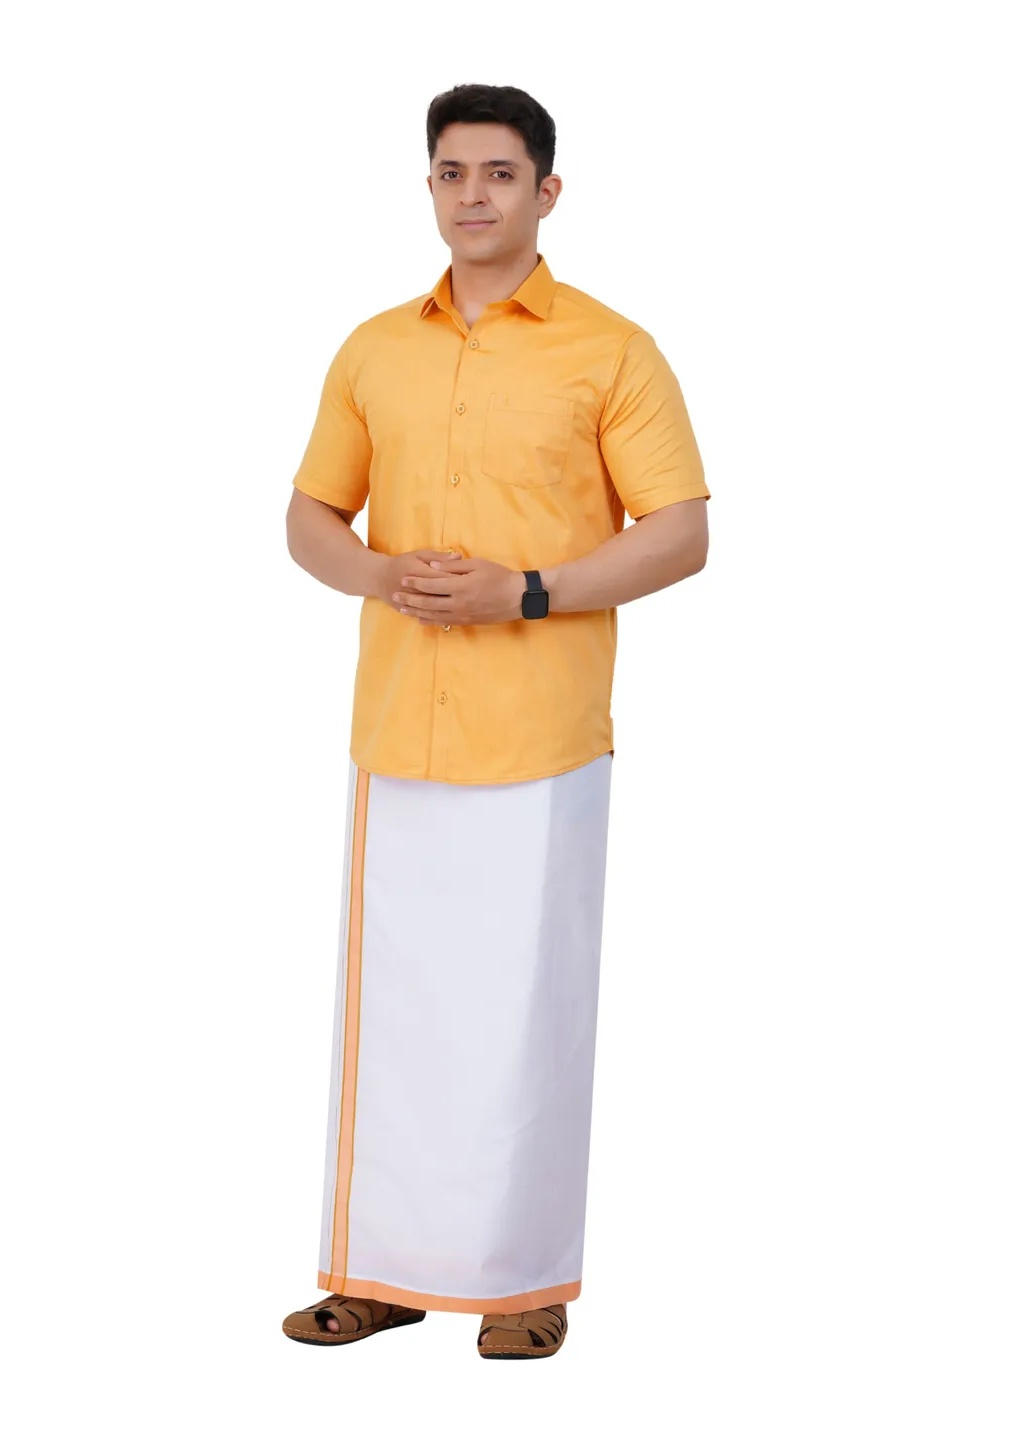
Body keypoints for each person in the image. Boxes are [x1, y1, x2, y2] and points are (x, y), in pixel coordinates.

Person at [281, 82, 710, 1360]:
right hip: (398, 730)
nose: (474, 194)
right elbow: (310, 516)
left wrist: (524, 592)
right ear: (430, 187)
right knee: (394, 1020)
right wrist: (379, 573)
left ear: (547, 192)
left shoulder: (612, 350)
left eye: (500, 173)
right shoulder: (374, 348)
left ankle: (524, 1285)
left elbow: (682, 532)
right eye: (452, 172)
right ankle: (378, 1274)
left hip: (541, 734)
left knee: (525, 1014)